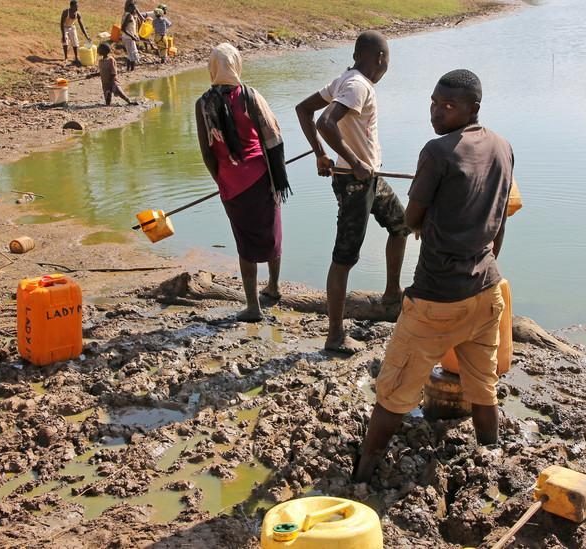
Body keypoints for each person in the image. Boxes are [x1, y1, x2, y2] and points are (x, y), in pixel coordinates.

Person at [352, 69, 514, 483]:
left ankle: (363, 473)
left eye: (448, 106)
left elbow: (411, 218)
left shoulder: (438, 152)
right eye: (434, 103)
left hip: (437, 297)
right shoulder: (502, 147)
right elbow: (498, 225)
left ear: (472, 108)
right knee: (482, 385)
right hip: (486, 290)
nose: (437, 113)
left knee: (395, 388)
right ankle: (490, 458)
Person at [295, 31, 409, 354]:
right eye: (386, 59)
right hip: (355, 182)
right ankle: (334, 335)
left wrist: (320, 154)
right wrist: (355, 161)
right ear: (380, 59)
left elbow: (304, 110)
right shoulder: (358, 85)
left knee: (401, 225)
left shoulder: (345, 80)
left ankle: (391, 295)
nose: (386, 66)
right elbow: (325, 122)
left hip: (370, 178)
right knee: (344, 256)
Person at [195, 43, 292, 322]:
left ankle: (253, 306)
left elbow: (206, 151)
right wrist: (277, 174)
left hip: (231, 184)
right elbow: (272, 132)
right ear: (236, 65)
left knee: (245, 244)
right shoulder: (250, 96)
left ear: (213, 68)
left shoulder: (203, 104)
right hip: (262, 178)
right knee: (273, 233)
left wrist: (221, 179)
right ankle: (273, 287)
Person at [59, 0, 90, 65]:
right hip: (65, 27)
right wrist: (63, 34)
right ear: (71, 6)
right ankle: (66, 58)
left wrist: (87, 36)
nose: (77, 8)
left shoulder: (77, 14)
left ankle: (76, 57)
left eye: (77, 6)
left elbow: (81, 25)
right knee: (65, 41)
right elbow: (61, 23)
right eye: (76, 6)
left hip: (72, 27)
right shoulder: (65, 12)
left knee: (75, 42)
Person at [121, 1, 141, 71]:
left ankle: (128, 69)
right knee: (133, 54)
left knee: (130, 54)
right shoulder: (128, 15)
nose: (135, 10)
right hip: (128, 38)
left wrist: (135, 35)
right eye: (134, 8)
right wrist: (132, 36)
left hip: (128, 37)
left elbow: (131, 28)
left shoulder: (128, 15)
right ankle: (132, 70)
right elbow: (123, 28)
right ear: (130, 8)